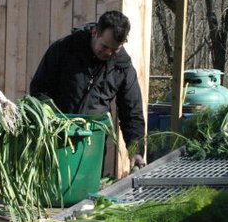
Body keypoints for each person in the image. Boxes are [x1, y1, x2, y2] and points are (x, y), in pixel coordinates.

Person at [30, 10, 147, 170]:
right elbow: (39, 89)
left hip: (93, 146)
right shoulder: (65, 49)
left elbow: (132, 112)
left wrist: (136, 150)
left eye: (115, 50)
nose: (108, 53)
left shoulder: (122, 66)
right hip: (56, 140)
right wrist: (51, 116)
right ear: (95, 32)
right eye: (104, 46)